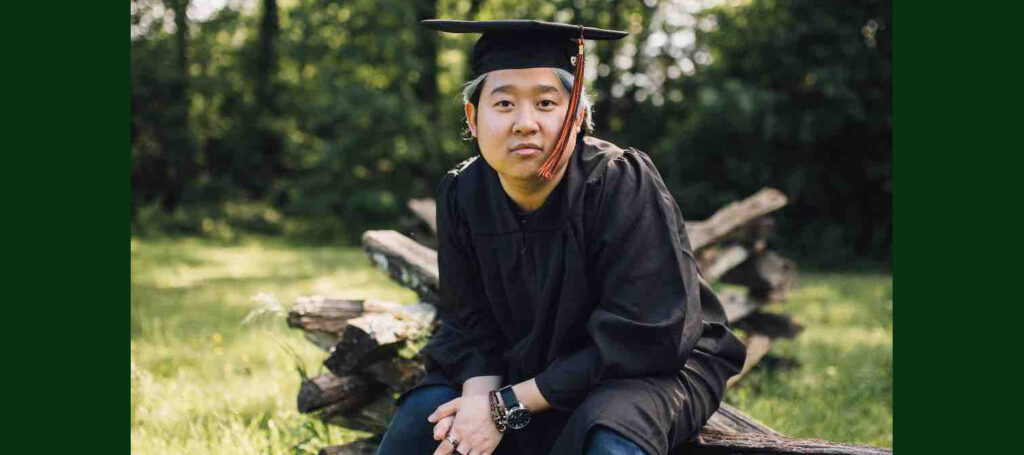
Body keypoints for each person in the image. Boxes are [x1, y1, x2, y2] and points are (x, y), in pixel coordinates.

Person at [376, 19, 747, 455]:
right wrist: (479, 402)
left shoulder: (618, 182)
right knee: (425, 422)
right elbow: (469, 325)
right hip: (520, 367)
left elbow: (648, 335)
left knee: (609, 435)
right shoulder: (461, 193)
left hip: (646, 368)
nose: (525, 123)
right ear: (473, 119)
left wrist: (505, 407)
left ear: (578, 116)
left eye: (547, 103)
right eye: (504, 104)